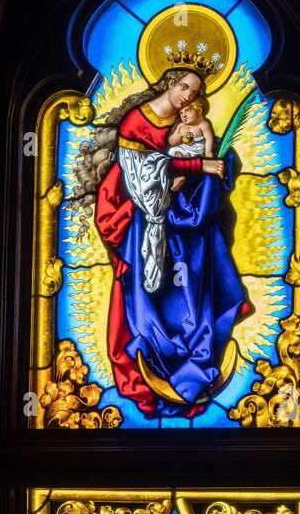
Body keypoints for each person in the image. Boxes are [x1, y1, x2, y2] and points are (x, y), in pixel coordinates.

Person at [73, 68, 248, 417]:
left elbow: (198, 157)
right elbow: (141, 173)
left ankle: (197, 360)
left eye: (194, 91)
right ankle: (158, 363)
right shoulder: (136, 122)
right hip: (146, 219)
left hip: (187, 222)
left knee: (199, 287)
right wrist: (199, 166)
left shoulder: (194, 121)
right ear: (170, 84)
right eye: (183, 87)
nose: (186, 96)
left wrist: (206, 168)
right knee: (150, 297)